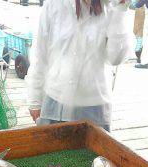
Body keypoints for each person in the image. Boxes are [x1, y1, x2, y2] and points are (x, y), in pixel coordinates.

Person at [27, 0, 133, 132]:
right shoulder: (53, 4)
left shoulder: (111, 7)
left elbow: (116, 58)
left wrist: (120, 9)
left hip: (94, 106)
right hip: (55, 101)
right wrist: (34, 99)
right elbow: (40, 55)